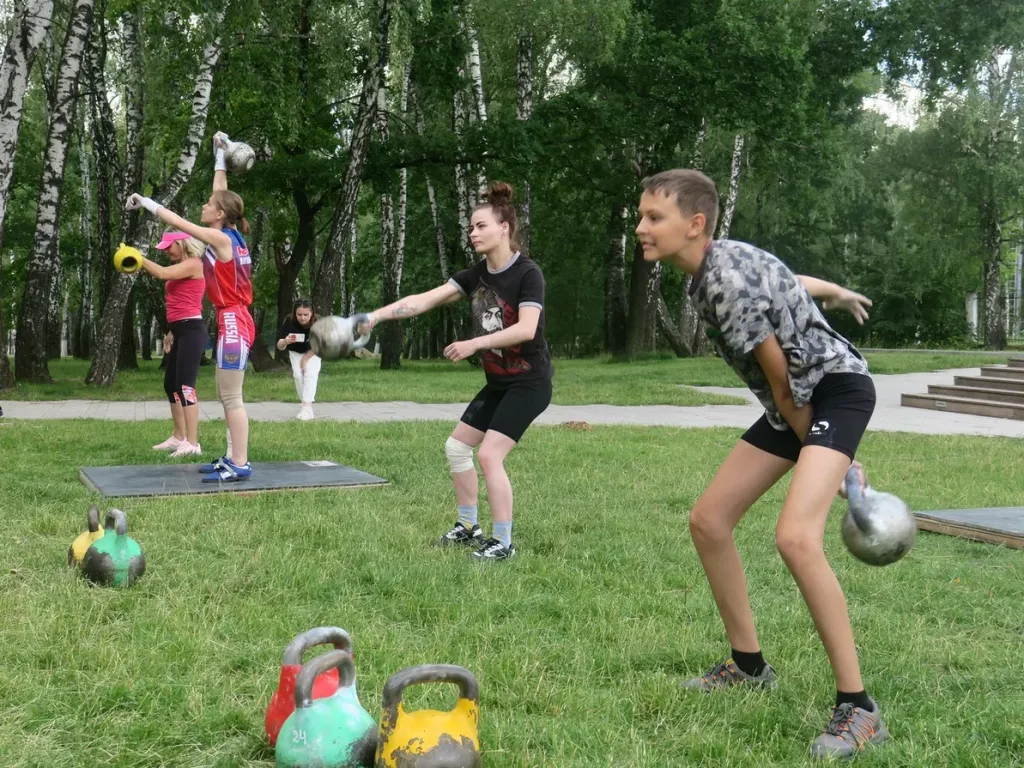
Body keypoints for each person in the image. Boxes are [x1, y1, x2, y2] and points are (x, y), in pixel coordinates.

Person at [634, 168, 885, 760]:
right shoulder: (717, 265)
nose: (640, 228)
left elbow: (783, 385)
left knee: (797, 537)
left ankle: (860, 708)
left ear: (695, 225)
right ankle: (748, 666)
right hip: (798, 400)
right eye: (641, 216)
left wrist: (838, 460)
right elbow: (786, 280)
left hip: (832, 392)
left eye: (653, 218)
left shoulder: (722, 282)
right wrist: (837, 293)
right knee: (709, 520)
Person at [360, 181, 553, 561]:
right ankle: (469, 526)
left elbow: (527, 328)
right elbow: (424, 300)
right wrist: (376, 316)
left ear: (504, 228)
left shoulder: (528, 274)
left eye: (481, 226)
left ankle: (503, 543)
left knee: (489, 456)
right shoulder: (475, 274)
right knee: (457, 447)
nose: (473, 233)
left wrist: (474, 343)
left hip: (529, 382)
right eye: (470, 227)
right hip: (498, 382)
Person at [125, 131, 255, 483]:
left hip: (233, 322)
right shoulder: (229, 232)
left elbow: (178, 222)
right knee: (227, 395)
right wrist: (219, 155)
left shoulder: (218, 237)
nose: (205, 205)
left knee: (231, 397)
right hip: (233, 320)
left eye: (209, 206)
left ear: (220, 214)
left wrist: (147, 202)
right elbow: (220, 193)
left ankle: (239, 463)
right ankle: (232, 456)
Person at [140, 231, 208, 458]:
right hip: (180, 330)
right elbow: (181, 301)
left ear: (182, 243)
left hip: (192, 330)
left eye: (170, 246)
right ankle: (179, 436)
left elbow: (160, 273)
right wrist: (171, 331)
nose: (167, 251)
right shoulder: (183, 265)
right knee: (171, 385)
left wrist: (138, 258)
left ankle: (193, 442)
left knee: (186, 386)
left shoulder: (193, 264)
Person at [277, 299, 321, 421]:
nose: (302, 318)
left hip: (313, 353)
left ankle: (307, 407)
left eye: (306, 315)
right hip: (295, 352)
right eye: (299, 314)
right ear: (294, 313)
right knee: (298, 375)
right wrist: (286, 341)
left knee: (310, 374)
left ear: (312, 313)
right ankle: (306, 406)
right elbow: (279, 346)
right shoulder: (289, 321)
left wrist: (305, 360)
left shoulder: (318, 322)